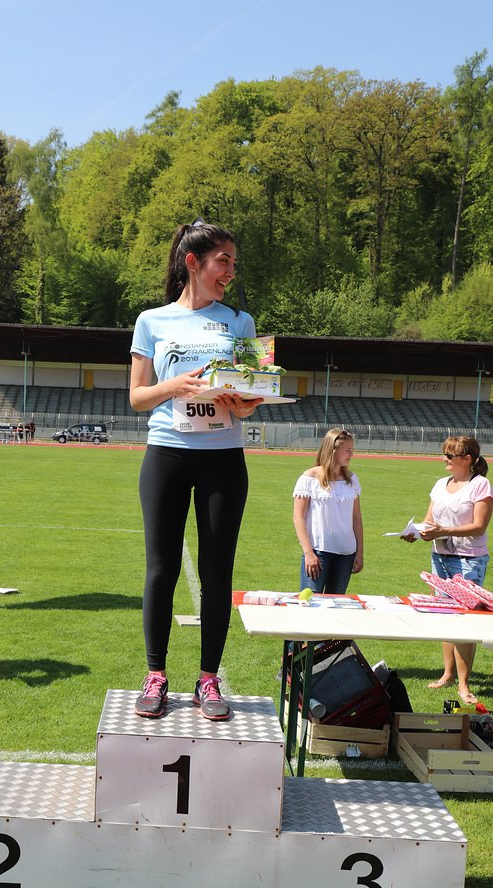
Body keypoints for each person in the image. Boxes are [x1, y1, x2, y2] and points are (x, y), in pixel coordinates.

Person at [129, 219, 263, 721]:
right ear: (193, 263)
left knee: (217, 572)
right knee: (161, 569)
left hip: (224, 458)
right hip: (166, 452)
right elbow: (138, 396)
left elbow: (253, 398)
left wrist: (244, 402)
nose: (230, 270)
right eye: (222, 261)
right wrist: (176, 386)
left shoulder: (240, 322)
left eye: (233, 261)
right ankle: (156, 674)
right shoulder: (152, 321)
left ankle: (209, 678)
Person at [402, 435, 493, 705]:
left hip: (468, 560)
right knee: (444, 616)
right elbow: (430, 521)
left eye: (450, 456)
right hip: (440, 557)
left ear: (467, 460)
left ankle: (464, 685)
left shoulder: (480, 486)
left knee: (464, 622)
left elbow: (479, 526)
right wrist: (416, 532)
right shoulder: (440, 484)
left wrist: (444, 531)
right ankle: (448, 674)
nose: (445, 459)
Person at [292, 428, 364, 594]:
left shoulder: (352, 480)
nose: (351, 455)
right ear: (333, 450)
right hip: (318, 553)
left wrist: (360, 552)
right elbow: (298, 517)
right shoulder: (309, 478)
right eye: (347, 450)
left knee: (336, 608)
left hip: (346, 555)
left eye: (352, 450)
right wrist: (308, 553)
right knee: (310, 606)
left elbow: (356, 519)